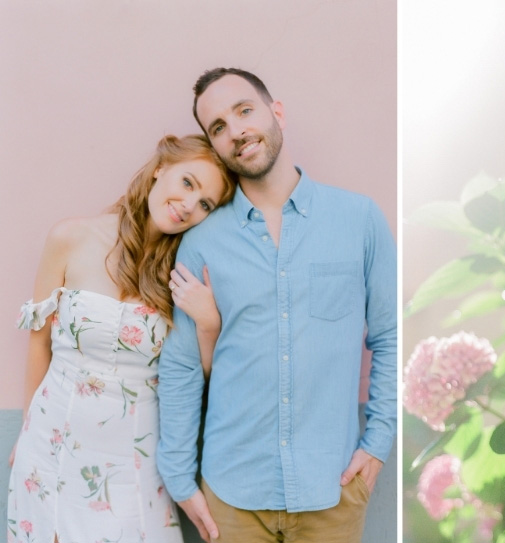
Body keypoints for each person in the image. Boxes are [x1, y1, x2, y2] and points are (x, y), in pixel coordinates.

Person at [156, 67, 397, 543]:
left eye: (244, 111)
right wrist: (179, 478)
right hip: (231, 497)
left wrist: (379, 441)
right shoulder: (202, 242)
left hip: (333, 491)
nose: (236, 130)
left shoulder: (359, 219)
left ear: (276, 112)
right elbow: (182, 368)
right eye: (218, 127)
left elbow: (389, 338)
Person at [6, 134, 236, 543]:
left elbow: (196, 378)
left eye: (205, 204)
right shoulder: (70, 237)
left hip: (136, 464)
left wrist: (208, 325)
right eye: (188, 183)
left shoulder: (187, 272)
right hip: (51, 448)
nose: (189, 205)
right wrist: (28, 433)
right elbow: (38, 343)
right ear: (161, 167)